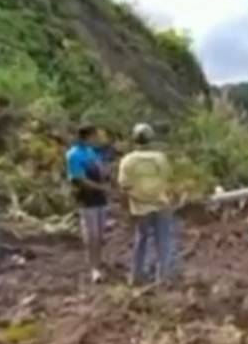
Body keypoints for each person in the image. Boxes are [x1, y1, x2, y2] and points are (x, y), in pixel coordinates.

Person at [117, 122, 176, 286]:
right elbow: (168, 179)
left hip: (140, 207)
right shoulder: (160, 158)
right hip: (161, 204)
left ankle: (136, 275)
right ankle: (163, 277)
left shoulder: (127, 161)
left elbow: (124, 185)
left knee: (141, 240)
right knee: (163, 241)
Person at [66, 123, 109, 283]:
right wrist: (101, 187)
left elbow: (101, 170)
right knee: (92, 234)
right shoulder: (74, 155)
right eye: (94, 136)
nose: (96, 139)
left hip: (100, 197)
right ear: (87, 136)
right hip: (86, 197)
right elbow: (79, 178)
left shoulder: (92, 152)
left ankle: (99, 259)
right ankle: (94, 267)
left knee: (101, 233)